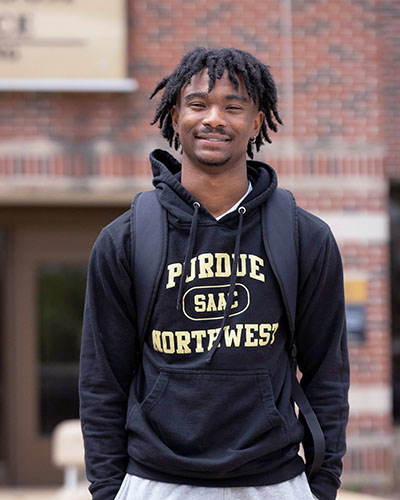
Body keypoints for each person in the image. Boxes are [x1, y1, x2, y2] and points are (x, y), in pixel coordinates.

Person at [79, 47, 349, 500]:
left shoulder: (305, 238)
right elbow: (101, 379)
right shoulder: (125, 239)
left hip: (274, 482)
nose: (214, 119)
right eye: (199, 104)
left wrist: (321, 484)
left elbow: (328, 373)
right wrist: (108, 489)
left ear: (258, 121)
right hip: (155, 481)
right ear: (175, 114)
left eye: (233, 106)